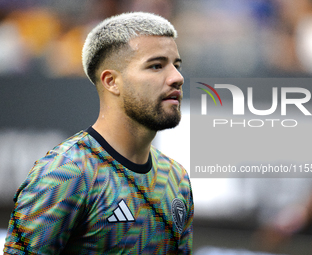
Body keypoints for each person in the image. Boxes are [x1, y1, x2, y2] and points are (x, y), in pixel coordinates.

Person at [3, 12, 193, 255]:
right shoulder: (65, 173)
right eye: (156, 66)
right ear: (111, 81)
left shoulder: (176, 179)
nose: (177, 78)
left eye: (176, 65)